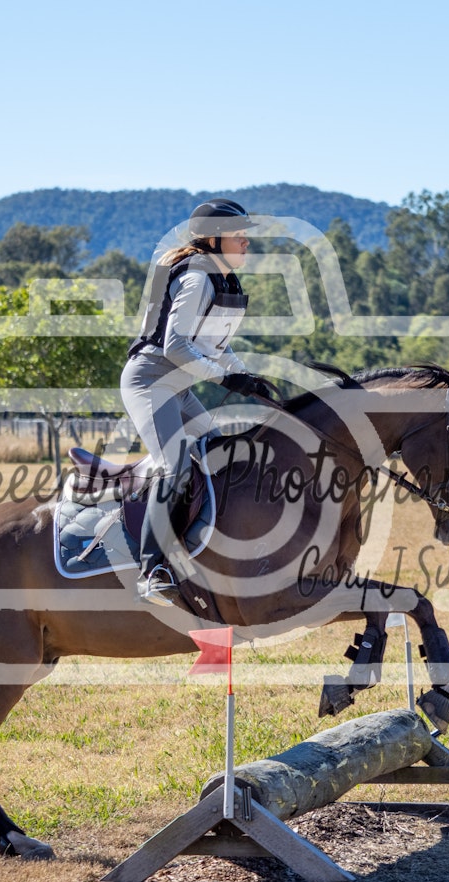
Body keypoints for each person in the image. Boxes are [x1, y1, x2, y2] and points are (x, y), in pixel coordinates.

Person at [121, 199, 274, 607]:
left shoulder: (225, 281)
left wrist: (248, 377)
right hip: (150, 381)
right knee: (176, 465)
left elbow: (215, 347)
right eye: (238, 234)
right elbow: (174, 346)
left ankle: (209, 549)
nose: (245, 241)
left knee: (222, 455)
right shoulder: (198, 279)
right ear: (212, 238)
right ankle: (152, 570)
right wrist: (227, 377)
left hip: (179, 388)